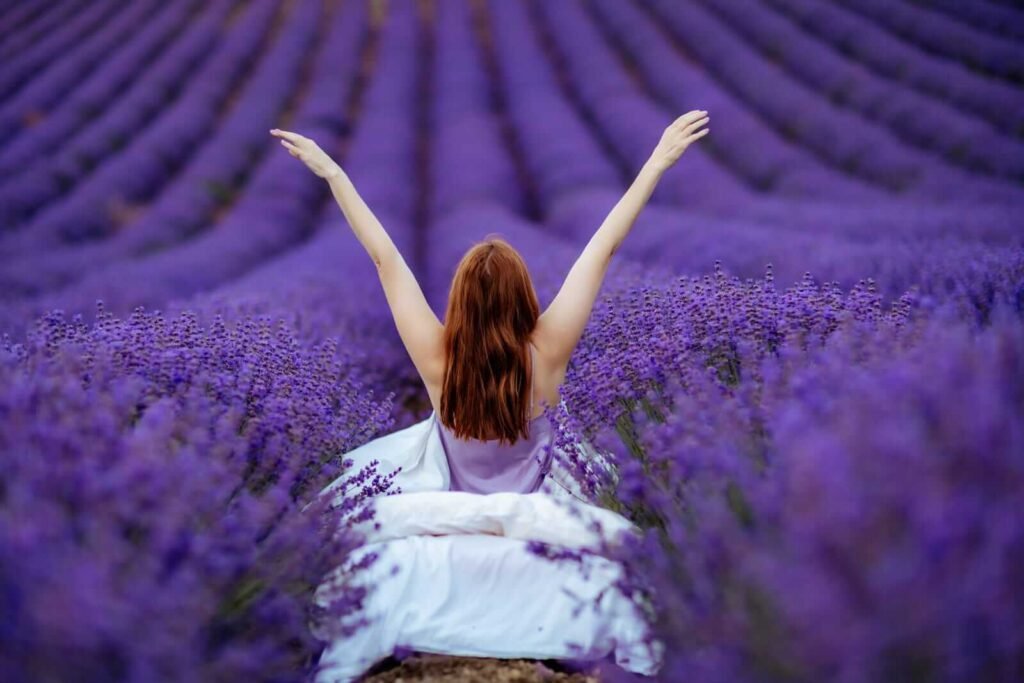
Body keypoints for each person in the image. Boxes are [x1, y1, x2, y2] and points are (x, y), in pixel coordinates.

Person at [270, 109, 709, 494]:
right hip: (541, 507)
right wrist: (656, 162)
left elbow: (384, 258)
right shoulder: (548, 348)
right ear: (522, 296)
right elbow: (603, 247)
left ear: (459, 300)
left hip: (453, 504)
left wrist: (333, 174)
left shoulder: (438, 357)